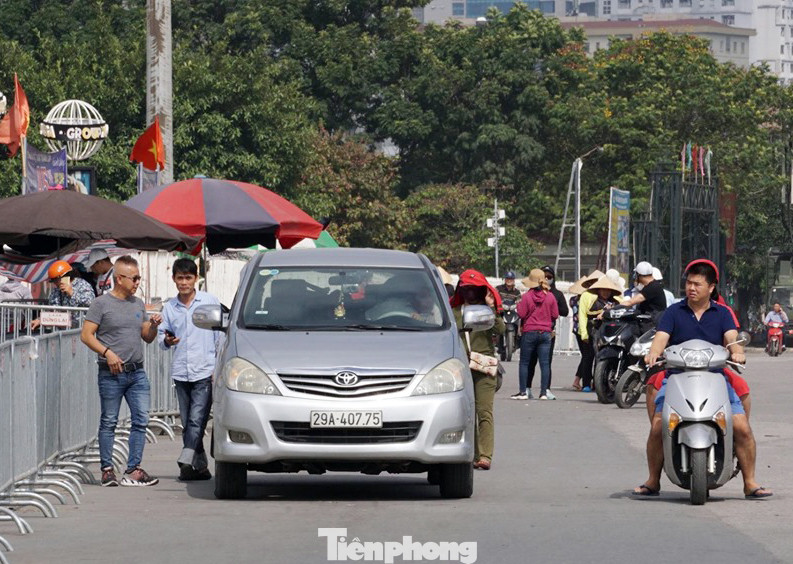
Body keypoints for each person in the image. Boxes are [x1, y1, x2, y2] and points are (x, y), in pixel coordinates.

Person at [633, 259, 772, 499]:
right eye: (688, 283)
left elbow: (731, 337)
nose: (691, 288)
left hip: (715, 376)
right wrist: (654, 352)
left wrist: (737, 351)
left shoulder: (723, 312)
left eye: (697, 284)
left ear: (711, 287)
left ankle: (750, 482)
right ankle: (653, 480)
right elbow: (661, 337)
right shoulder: (674, 311)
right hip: (676, 375)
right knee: (658, 425)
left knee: (741, 426)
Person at [80, 255, 161, 487]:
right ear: (119, 278)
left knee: (141, 420)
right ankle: (107, 470)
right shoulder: (100, 304)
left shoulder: (137, 304)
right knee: (109, 420)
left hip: (137, 373)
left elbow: (146, 337)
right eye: (134, 278)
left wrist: (153, 326)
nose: (137, 282)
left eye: (139, 278)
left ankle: (133, 469)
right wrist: (107, 352)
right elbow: (86, 335)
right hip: (111, 373)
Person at [159, 258, 221, 481]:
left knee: (197, 420)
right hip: (181, 371)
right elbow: (161, 337)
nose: (184, 282)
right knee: (188, 422)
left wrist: (218, 367)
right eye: (180, 278)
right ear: (174, 279)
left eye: (188, 278)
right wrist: (168, 341)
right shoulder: (170, 307)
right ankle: (200, 467)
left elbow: (219, 336)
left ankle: (186, 459)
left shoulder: (209, 301)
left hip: (204, 370)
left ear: (196, 279)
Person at [450, 269, 504, 470]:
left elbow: (500, 330)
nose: (471, 292)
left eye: (475, 289)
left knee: (484, 411)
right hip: (460, 368)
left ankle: (485, 456)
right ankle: (472, 453)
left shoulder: (487, 312)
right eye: (467, 289)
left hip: (484, 368)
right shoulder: (454, 313)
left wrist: (493, 308)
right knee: (466, 413)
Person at [512, 269, 559, 400]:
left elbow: (521, 314)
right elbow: (555, 315)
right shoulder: (550, 296)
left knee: (525, 363)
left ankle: (523, 392)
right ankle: (544, 392)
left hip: (529, 332)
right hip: (545, 333)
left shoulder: (526, 296)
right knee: (544, 363)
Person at [577, 273, 621, 392]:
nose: (606, 293)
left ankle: (599, 384)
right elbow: (583, 315)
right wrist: (584, 333)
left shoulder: (616, 303)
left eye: (608, 290)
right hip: (593, 332)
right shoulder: (592, 301)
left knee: (602, 358)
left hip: (609, 334)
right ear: (599, 290)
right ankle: (586, 383)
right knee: (588, 358)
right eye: (603, 290)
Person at [30, 261, 95, 330]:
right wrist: (41, 319)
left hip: (81, 329)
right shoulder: (56, 291)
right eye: (53, 280)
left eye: (56, 280)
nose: (55, 283)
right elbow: (52, 309)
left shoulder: (83, 285)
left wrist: (72, 293)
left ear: (66, 276)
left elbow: (90, 303)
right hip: (62, 331)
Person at [537, 265, 569, 391]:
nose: (546, 279)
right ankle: (526, 388)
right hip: (532, 330)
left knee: (546, 362)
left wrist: (552, 305)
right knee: (529, 362)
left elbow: (565, 312)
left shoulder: (557, 294)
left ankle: (546, 388)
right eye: (544, 276)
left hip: (548, 331)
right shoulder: (533, 291)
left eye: (549, 277)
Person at [616, 261, 667, 328]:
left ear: (639, 275)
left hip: (652, 326)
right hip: (650, 322)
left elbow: (630, 302)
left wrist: (612, 309)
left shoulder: (652, 287)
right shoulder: (652, 286)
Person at [567, 275, 588, 391]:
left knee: (585, 356)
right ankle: (578, 379)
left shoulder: (573, 300)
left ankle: (579, 379)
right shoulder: (583, 300)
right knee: (586, 356)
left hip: (576, 330)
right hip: (582, 329)